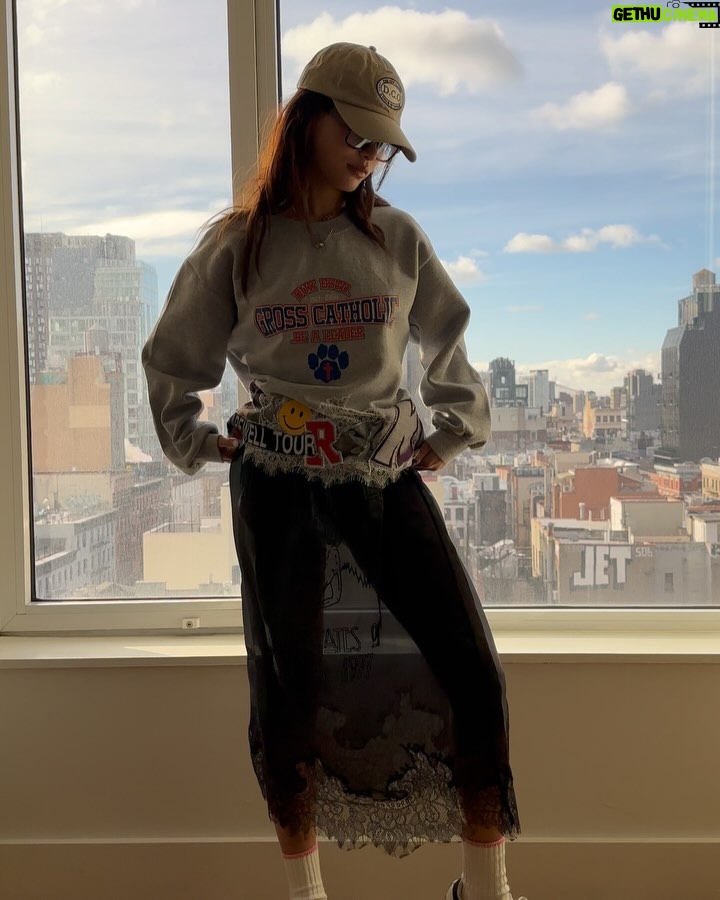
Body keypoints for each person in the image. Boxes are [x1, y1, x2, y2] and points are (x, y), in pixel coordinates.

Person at [142, 41, 526, 900]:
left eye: (383, 144)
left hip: (385, 482)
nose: (369, 155)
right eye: (357, 134)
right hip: (277, 491)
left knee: (471, 671)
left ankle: (486, 886)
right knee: (290, 691)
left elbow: (448, 336)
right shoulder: (237, 247)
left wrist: (454, 430)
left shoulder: (396, 238)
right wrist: (195, 440)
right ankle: (307, 893)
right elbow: (171, 360)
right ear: (307, 119)